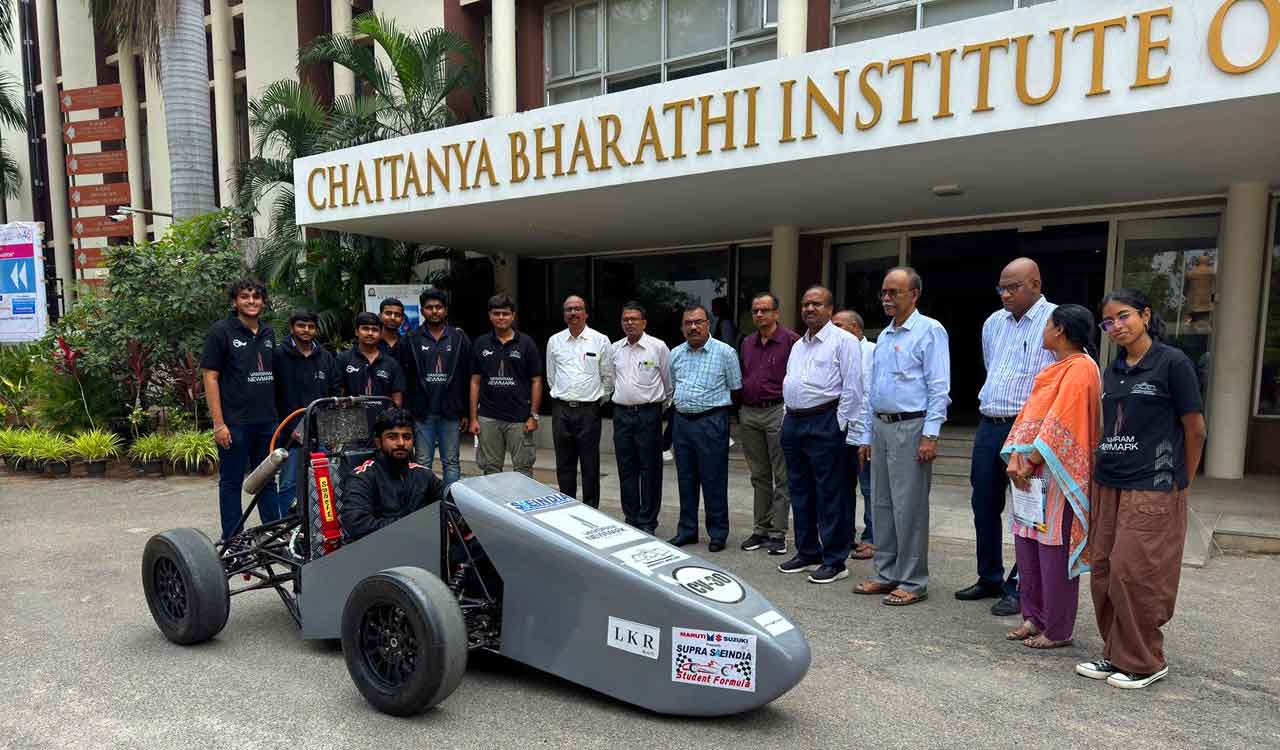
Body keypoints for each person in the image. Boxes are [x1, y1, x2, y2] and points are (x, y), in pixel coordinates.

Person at [1076, 289, 1206, 690]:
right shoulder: (1113, 369)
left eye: (1124, 316)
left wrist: (1182, 481)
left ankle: (1145, 660)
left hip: (1153, 483)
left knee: (1135, 573)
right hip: (1109, 482)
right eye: (1108, 321)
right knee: (1103, 572)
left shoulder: (1172, 363)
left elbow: (1195, 429)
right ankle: (1116, 651)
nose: (1116, 326)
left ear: (1146, 315)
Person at [956, 258, 1057, 617]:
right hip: (990, 423)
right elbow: (992, 367)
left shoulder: (1055, 320)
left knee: (1029, 509)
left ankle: (1021, 586)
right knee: (983, 503)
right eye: (1002, 287)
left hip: (1029, 427)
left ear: (1035, 284)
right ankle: (989, 577)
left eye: (1014, 287)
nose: (1006, 294)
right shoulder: (993, 322)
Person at [1001, 304, 1100, 650]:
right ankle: (1034, 617)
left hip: (1056, 472)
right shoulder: (1054, 368)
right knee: (1028, 545)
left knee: (1053, 550)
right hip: (1030, 472)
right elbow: (1028, 419)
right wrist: (1016, 456)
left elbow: (1062, 421)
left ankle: (1057, 629)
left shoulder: (1081, 368)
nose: (1043, 330)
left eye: (1047, 324)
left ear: (1060, 330)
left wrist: (1029, 461)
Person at [853, 267, 951, 606]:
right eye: (883, 292)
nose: (886, 298)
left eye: (894, 292)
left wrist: (930, 435)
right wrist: (866, 435)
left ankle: (912, 581)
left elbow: (939, 388)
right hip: (880, 426)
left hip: (911, 428)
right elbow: (873, 390)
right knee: (881, 504)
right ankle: (886, 574)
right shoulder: (884, 336)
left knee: (909, 508)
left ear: (914, 294)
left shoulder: (930, 331)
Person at [776, 286, 863, 584]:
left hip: (826, 422)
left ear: (829, 308)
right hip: (794, 422)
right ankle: (808, 551)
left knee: (830, 493)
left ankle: (835, 560)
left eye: (816, 304)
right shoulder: (798, 345)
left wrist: (840, 424)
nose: (810, 309)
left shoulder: (844, 341)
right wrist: (787, 417)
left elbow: (853, 387)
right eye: (805, 304)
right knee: (800, 491)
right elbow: (791, 381)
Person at [201, 279, 283, 542]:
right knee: (231, 482)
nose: (251, 301)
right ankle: (233, 539)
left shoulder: (268, 333)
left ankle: (273, 535)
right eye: (245, 297)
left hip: (267, 421)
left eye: (256, 297)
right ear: (235, 302)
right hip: (235, 423)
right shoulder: (221, 332)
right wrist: (219, 424)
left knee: (268, 480)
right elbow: (210, 377)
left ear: (263, 302)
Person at [668, 303, 742, 552]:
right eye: (688, 323)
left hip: (712, 422)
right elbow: (673, 385)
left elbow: (736, 388)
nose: (693, 327)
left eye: (698, 322)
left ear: (708, 324)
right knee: (685, 478)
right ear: (682, 327)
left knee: (714, 479)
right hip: (682, 423)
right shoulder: (675, 354)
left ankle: (718, 533)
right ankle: (687, 530)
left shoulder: (725, 352)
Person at [738, 292, 798, 556]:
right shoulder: (747, 342)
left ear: (776, 313)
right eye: (755, 311)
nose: (759, 314)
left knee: (782, 475)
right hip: (750, 412)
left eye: (764, 310)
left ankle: (778, 532)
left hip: (777, 410)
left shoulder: (791, 341)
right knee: (759, 475)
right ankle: (760, 529)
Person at [546, 295, 614, 508]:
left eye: (577, 309)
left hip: (588, 411)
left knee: (590, 464)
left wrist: (595, 402)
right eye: (569, 309)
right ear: (564, 314)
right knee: (564, 464)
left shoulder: (600, 340)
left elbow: (608, 377)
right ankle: (566, 508)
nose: (573, 313)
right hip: (561, 410)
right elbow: (551, 376)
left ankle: (591, 509)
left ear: (586, 313)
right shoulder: (554, 341)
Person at [399, 287, 472, 486]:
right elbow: (404, 377)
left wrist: (466, 412)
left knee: (452, 462)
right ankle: (423, 500)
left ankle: (450, 500)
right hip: (422, 412)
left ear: (445, 310)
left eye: (438, 307)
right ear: (422, 310)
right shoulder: (411, 339)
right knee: (422, 462)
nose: (434, 311)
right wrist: (407, 411)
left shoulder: (459, 338)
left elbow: (467, 376)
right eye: (429, 307)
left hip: (451, 411)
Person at [341, 407, 447, 543]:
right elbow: (356, 524)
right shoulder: (362, 477)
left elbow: (452, 502)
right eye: (392, 437)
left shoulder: (423, 474)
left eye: (407, 437)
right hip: (379, 548)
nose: (401, 443)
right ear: (378, 442)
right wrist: (413, 527)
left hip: (421, 546)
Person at [611, 302, 672, 533]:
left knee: (650, 470)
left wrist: (657, 409)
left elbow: (668, 383)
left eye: (634, 319)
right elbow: (611, 379)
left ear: (644, 322)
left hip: (649, 415)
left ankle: (647, 521)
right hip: (621, 415)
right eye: (625, 319)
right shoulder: (615, 348)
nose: (629, 323)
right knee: (626, 469)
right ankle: (631, 518)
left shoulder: (658, 347)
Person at [470, 294, 543, 477]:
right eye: (496, 313)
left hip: (519, 418)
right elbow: (475, 381)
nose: (501, 317)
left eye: (505, 313)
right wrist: (473, 418)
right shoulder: (481, 343)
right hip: (488, 417)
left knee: (523, 470)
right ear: (490, 316)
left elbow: (536, 381)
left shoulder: (526, 343)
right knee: (491, 469)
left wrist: (534, 416)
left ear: (513, 316)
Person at [273, 309, 339, 509]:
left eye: (311, 326)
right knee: (289, 484)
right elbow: (273, 395)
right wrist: (287, 429)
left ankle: (319, 523)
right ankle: (288, 523)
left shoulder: (326, 357)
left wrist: (331, 430)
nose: (306, 330)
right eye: (301, 326)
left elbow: (335, 392)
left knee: (324, 482)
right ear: (292, 328)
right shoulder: (278, 356)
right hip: (290, 435)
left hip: (321, 434)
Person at [833, 309, 875, 559]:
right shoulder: (834, 351)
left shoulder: (874, 352)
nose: (834, 330)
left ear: (856, 328)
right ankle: (845, 535)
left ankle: (871, 538)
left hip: (864, 432)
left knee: (869, 488)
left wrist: (868, 434)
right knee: (841, 488)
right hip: (839, 431)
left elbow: (872, 393)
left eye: (839, 325)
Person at [336, 312, 406, 405]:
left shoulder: (392, 364)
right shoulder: (343, 359)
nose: (370, 333)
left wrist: (393, 413)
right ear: (356, 332)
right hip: (351, 413)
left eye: (375, 330)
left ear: (380, 333)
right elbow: (338, 395)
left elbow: (397, 398)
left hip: (383, 414)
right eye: (365, 329)